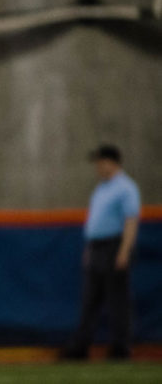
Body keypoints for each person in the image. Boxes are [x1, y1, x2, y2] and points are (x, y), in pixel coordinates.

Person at [62, 144, 141, 360]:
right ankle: (80, 347)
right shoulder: (102, 188)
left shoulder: (126, 187)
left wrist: (124, 251)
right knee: (90, 300)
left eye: (100, 162)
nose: (97, 167)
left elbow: (130, 220)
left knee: (117, 300)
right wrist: (89, 248)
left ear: (111, 162)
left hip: (114, 246)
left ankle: (120, 348)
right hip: (96, 247)